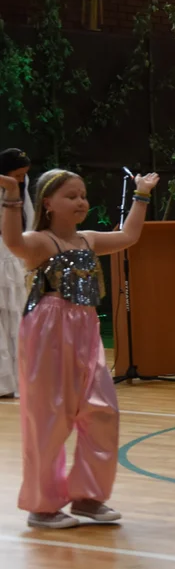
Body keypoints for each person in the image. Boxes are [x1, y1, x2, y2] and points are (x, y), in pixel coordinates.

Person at [1, 167, 159, 528]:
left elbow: (130, 236)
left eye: (83, 195)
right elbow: (12, 243)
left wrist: (142, 194)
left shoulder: (88, 239)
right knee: (49, 417)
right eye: (71, 196)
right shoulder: (39, 241)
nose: (81, 201)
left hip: (85, 330)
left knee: (102, 411)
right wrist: (11, 197)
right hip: (48, 329)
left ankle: (88, 497)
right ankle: (42, 506)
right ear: (48, 203)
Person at [0, 148, 34, 398]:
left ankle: (19, 380)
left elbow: (29, 218)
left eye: (24, 175)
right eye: (18, 174)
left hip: (12, 255)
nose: (21, 180)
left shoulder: (22, 187)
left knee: (16, 318)